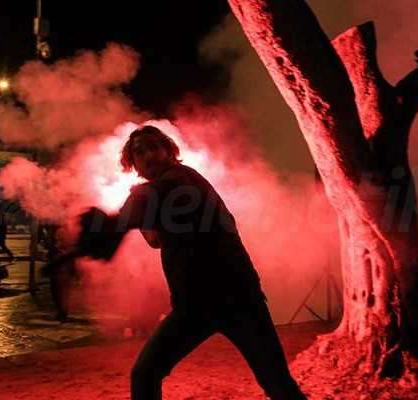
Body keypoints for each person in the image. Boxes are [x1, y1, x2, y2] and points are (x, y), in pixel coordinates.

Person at [75, 125, 306, 399]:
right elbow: (156, 240)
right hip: (201, 304)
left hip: (232, 299)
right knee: (276, 382)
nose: (148, 155)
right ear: (133, 162)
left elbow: (154, 198)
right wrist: (137, 216)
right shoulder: (163, 191)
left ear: (168, 151)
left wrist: (118, 220)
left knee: (276, 382)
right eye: (140, 151)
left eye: (154, 147)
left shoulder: (179, 180)